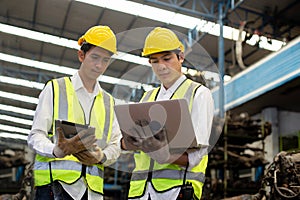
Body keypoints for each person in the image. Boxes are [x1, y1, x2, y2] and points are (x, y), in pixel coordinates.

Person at [27, 25, 121, 200]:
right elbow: (35, 135)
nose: (99, 65)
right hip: (54, 187)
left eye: (105, 60)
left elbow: (116, 145)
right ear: (81, 55)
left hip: (91, 192)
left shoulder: (109, 102)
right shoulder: (55, 89)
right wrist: (56, 150)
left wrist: (102, 156)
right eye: (94, 57)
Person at [121, 27, 214, 199]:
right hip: (140, 192)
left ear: (180, 57)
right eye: (155, 61)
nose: (162, 66)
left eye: (167, 58)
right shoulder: (146, 98)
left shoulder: (198, 94)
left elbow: (198, 154)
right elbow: (134, 145)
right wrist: (124, 142)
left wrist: (166, 157)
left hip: (176, 190)